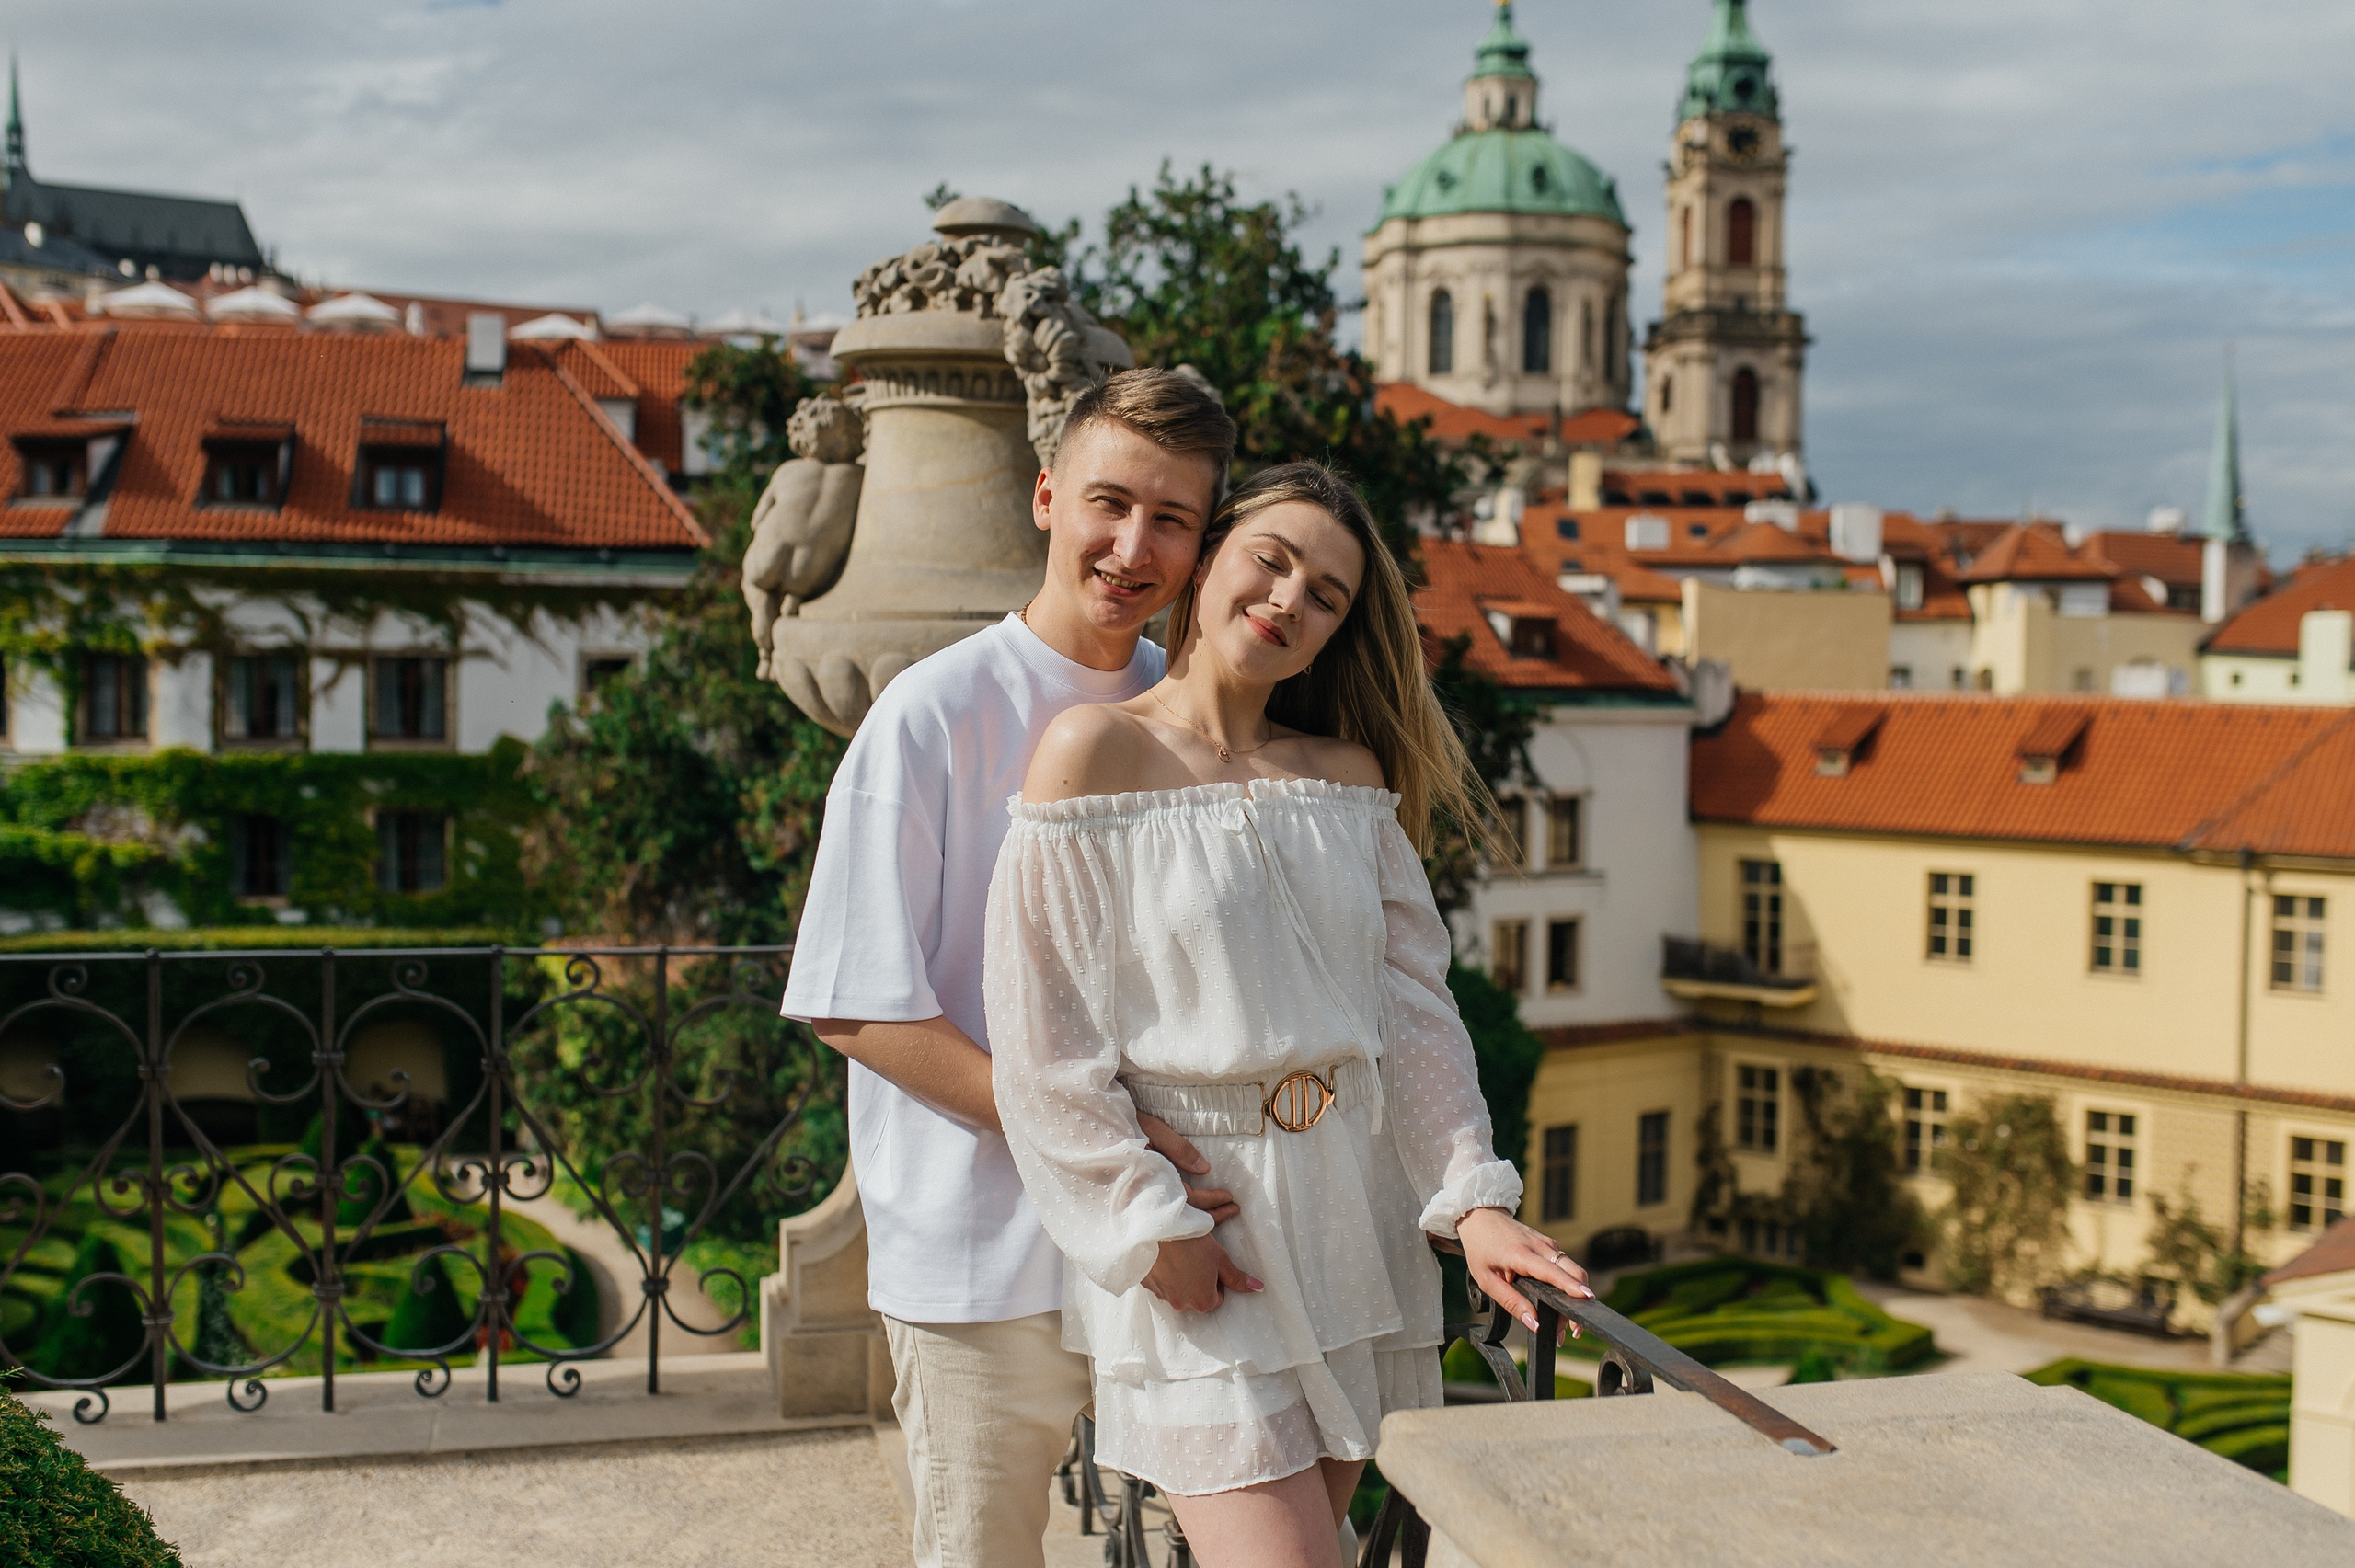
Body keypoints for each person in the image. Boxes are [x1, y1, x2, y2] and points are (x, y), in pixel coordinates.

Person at [984, 463, 1592, 1567]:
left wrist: (1471, 1199)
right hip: (1204, 1232)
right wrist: (1143, 1227)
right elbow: (1045, 1042)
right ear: (1209, 557)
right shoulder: (1091, 751)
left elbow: (1410, 1016)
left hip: (1349, 1224)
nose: (1288, 599)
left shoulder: (1347, 778)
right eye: (1271, 560)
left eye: (1325, 594)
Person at [781, 368, 1239, 1568]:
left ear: (1203, 544)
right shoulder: (932, 713)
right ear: (1046, 496)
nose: (1133, 544)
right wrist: (1098, 1144)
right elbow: (854, 1003)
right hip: (980, 1256)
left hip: (1173, 1242)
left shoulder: (1196, 718)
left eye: (1174, 519)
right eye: (1110, 502)